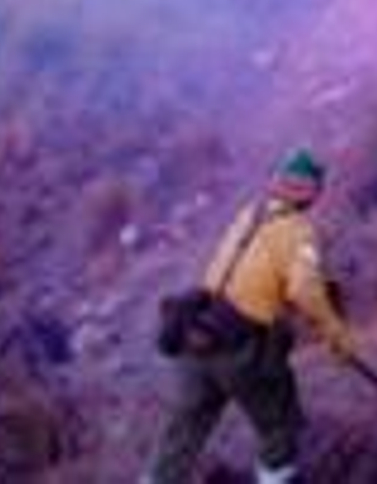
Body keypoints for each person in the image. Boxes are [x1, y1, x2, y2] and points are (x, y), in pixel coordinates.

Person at [146, 147, 354, 484]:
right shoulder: (298, 231)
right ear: (313, 191)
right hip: (239, 348)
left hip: (193, 339)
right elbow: (303, 290)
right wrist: (336, 333)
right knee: (280, 425)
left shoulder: (249, 213)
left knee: (181, 434)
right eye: (311, 186)